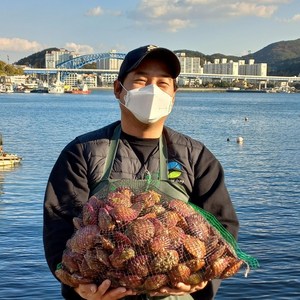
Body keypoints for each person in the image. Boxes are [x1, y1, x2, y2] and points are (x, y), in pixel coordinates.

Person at [43, 45, 239, 300]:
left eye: (162, 83)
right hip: (102, 294)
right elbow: (59, 225)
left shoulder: (196, 156)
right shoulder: (82, 152)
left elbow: (222, 229)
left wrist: (200, 280)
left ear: (174, 94)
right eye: (141, 81)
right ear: (118, 89)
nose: (152, 91)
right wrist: (77, 286)